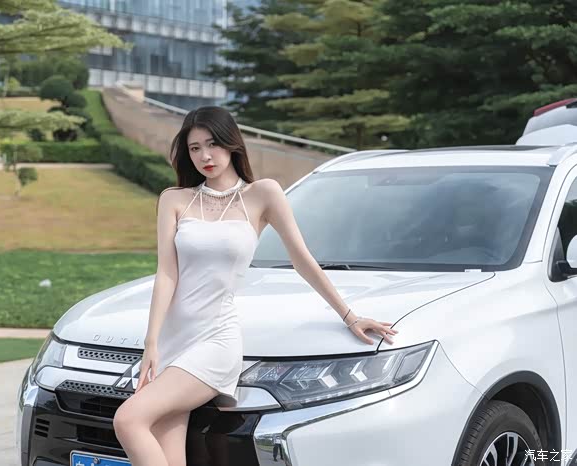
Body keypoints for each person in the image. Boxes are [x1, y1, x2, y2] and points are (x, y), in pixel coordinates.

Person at [112, 106, 399, 466]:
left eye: (213, 144)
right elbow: (167, 274)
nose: (205, 156)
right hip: (172, 341)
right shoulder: (175, 199)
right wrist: (151, 342)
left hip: (215, 340)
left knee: (128, 419)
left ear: (231, 143)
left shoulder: (262, 194)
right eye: (195, 148)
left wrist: (349, 316)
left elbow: (302, 260)